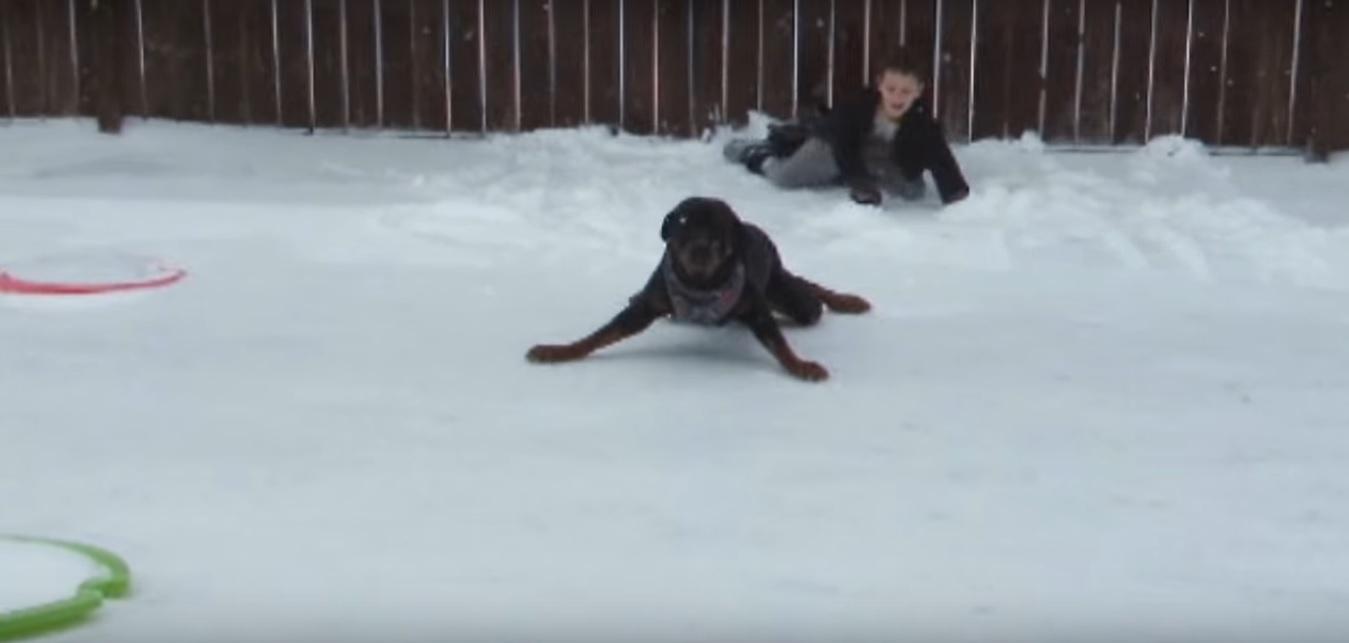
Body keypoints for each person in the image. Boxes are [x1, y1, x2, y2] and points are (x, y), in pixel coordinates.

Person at [724, 55, 970, 207]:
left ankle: (845, 175)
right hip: (834, 145)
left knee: (913, 192)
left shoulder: (923, 122)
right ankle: (758, 153)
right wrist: (860, 182)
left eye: (906, 91)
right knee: (785, 178)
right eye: (891, 88)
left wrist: (956, 193)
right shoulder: (860, 106)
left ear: (918, 91)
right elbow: (844, 145)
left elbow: (941, 158)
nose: (897, 97)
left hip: (880, 157)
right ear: (880, 85)